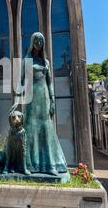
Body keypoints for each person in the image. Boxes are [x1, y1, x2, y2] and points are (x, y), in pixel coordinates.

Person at [10, 31, 69, 176]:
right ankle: (28, 165)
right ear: (32, 42)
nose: (39, 43)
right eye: (36, 40)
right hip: (30, 99)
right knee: (30, 129)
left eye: (41, 41)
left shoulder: (46, 62)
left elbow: (50, 84)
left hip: (44, 98)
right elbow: (21, 81)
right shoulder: (27, 60)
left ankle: (50, 165)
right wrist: (17, 101)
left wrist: (53, 101)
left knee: (45, 128)